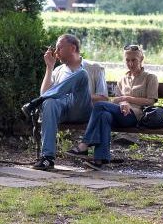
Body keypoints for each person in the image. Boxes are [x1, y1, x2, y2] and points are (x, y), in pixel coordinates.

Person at [22, 34, 108, 170]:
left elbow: (103, 98)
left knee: (82, 75)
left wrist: (79, 93)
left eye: (59, 48)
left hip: (82, 109)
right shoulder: (58, 70)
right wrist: (49, 67)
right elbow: (45, 94)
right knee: (48, 102)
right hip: (62, 110)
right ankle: (48, 158)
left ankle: (35, 103)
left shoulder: (94, 68)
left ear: (73, 48)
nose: (56, 52)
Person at [66, 44, 158, 169]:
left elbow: (151, 101)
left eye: (134, 60)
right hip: (120, 114)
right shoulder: (122, 79)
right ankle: (100, 160)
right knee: (104, 115)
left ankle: (84, 144)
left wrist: (127, 99)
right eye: (127, 60)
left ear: (141, 59)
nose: (130, 63)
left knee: (99, 106)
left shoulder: (150, 78)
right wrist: (123, 103)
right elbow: (116, 100)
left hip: (136, 116)